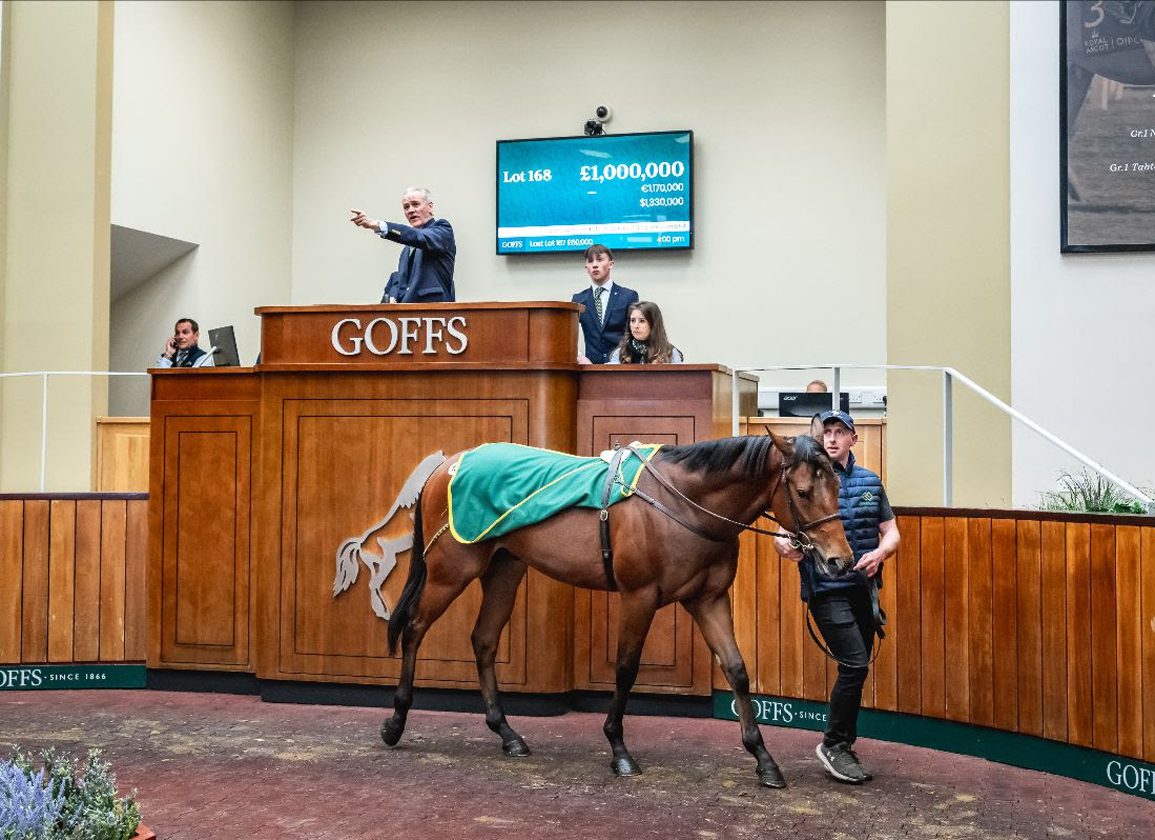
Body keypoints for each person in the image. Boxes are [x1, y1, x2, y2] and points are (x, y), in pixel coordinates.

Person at [772, 409, 900, 785]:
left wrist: (881, 553)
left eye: (839, 432)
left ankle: (843, 743)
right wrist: (783, 544)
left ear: (853, 439)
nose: (831, 437)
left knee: (856, 668)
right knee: (856, 664)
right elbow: (782, 533)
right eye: (826, 431)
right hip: (826, 590)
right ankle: (835, 745)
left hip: (864, 589)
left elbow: (892, 532)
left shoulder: (870, 482)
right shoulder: (808, 478)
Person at [350, 187, 456, 303]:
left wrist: (377, 225)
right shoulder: (407, 249)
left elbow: (418, 237)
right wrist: (393, 297)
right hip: (407, 311)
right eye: (406, 207)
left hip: (434, 309)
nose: (410, 210)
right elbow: (401, 281)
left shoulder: (442, 229)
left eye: (415, 204)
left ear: (430, 207)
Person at [572, 244, 638, 364]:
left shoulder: (628, 296)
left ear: (611, 264)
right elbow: (567, 334)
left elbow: (635, 333)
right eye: (590, 261)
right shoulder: (579, 299)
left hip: (622, 365)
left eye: (600, 260)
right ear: (586, 268)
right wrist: (579, 357)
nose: (595, 265)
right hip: (591, 367)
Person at [607, 301, 683, 364]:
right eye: (632, 320)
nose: (636, 326)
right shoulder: (621, 353)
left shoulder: (670, 353)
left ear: (653, 324)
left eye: (642, 321)